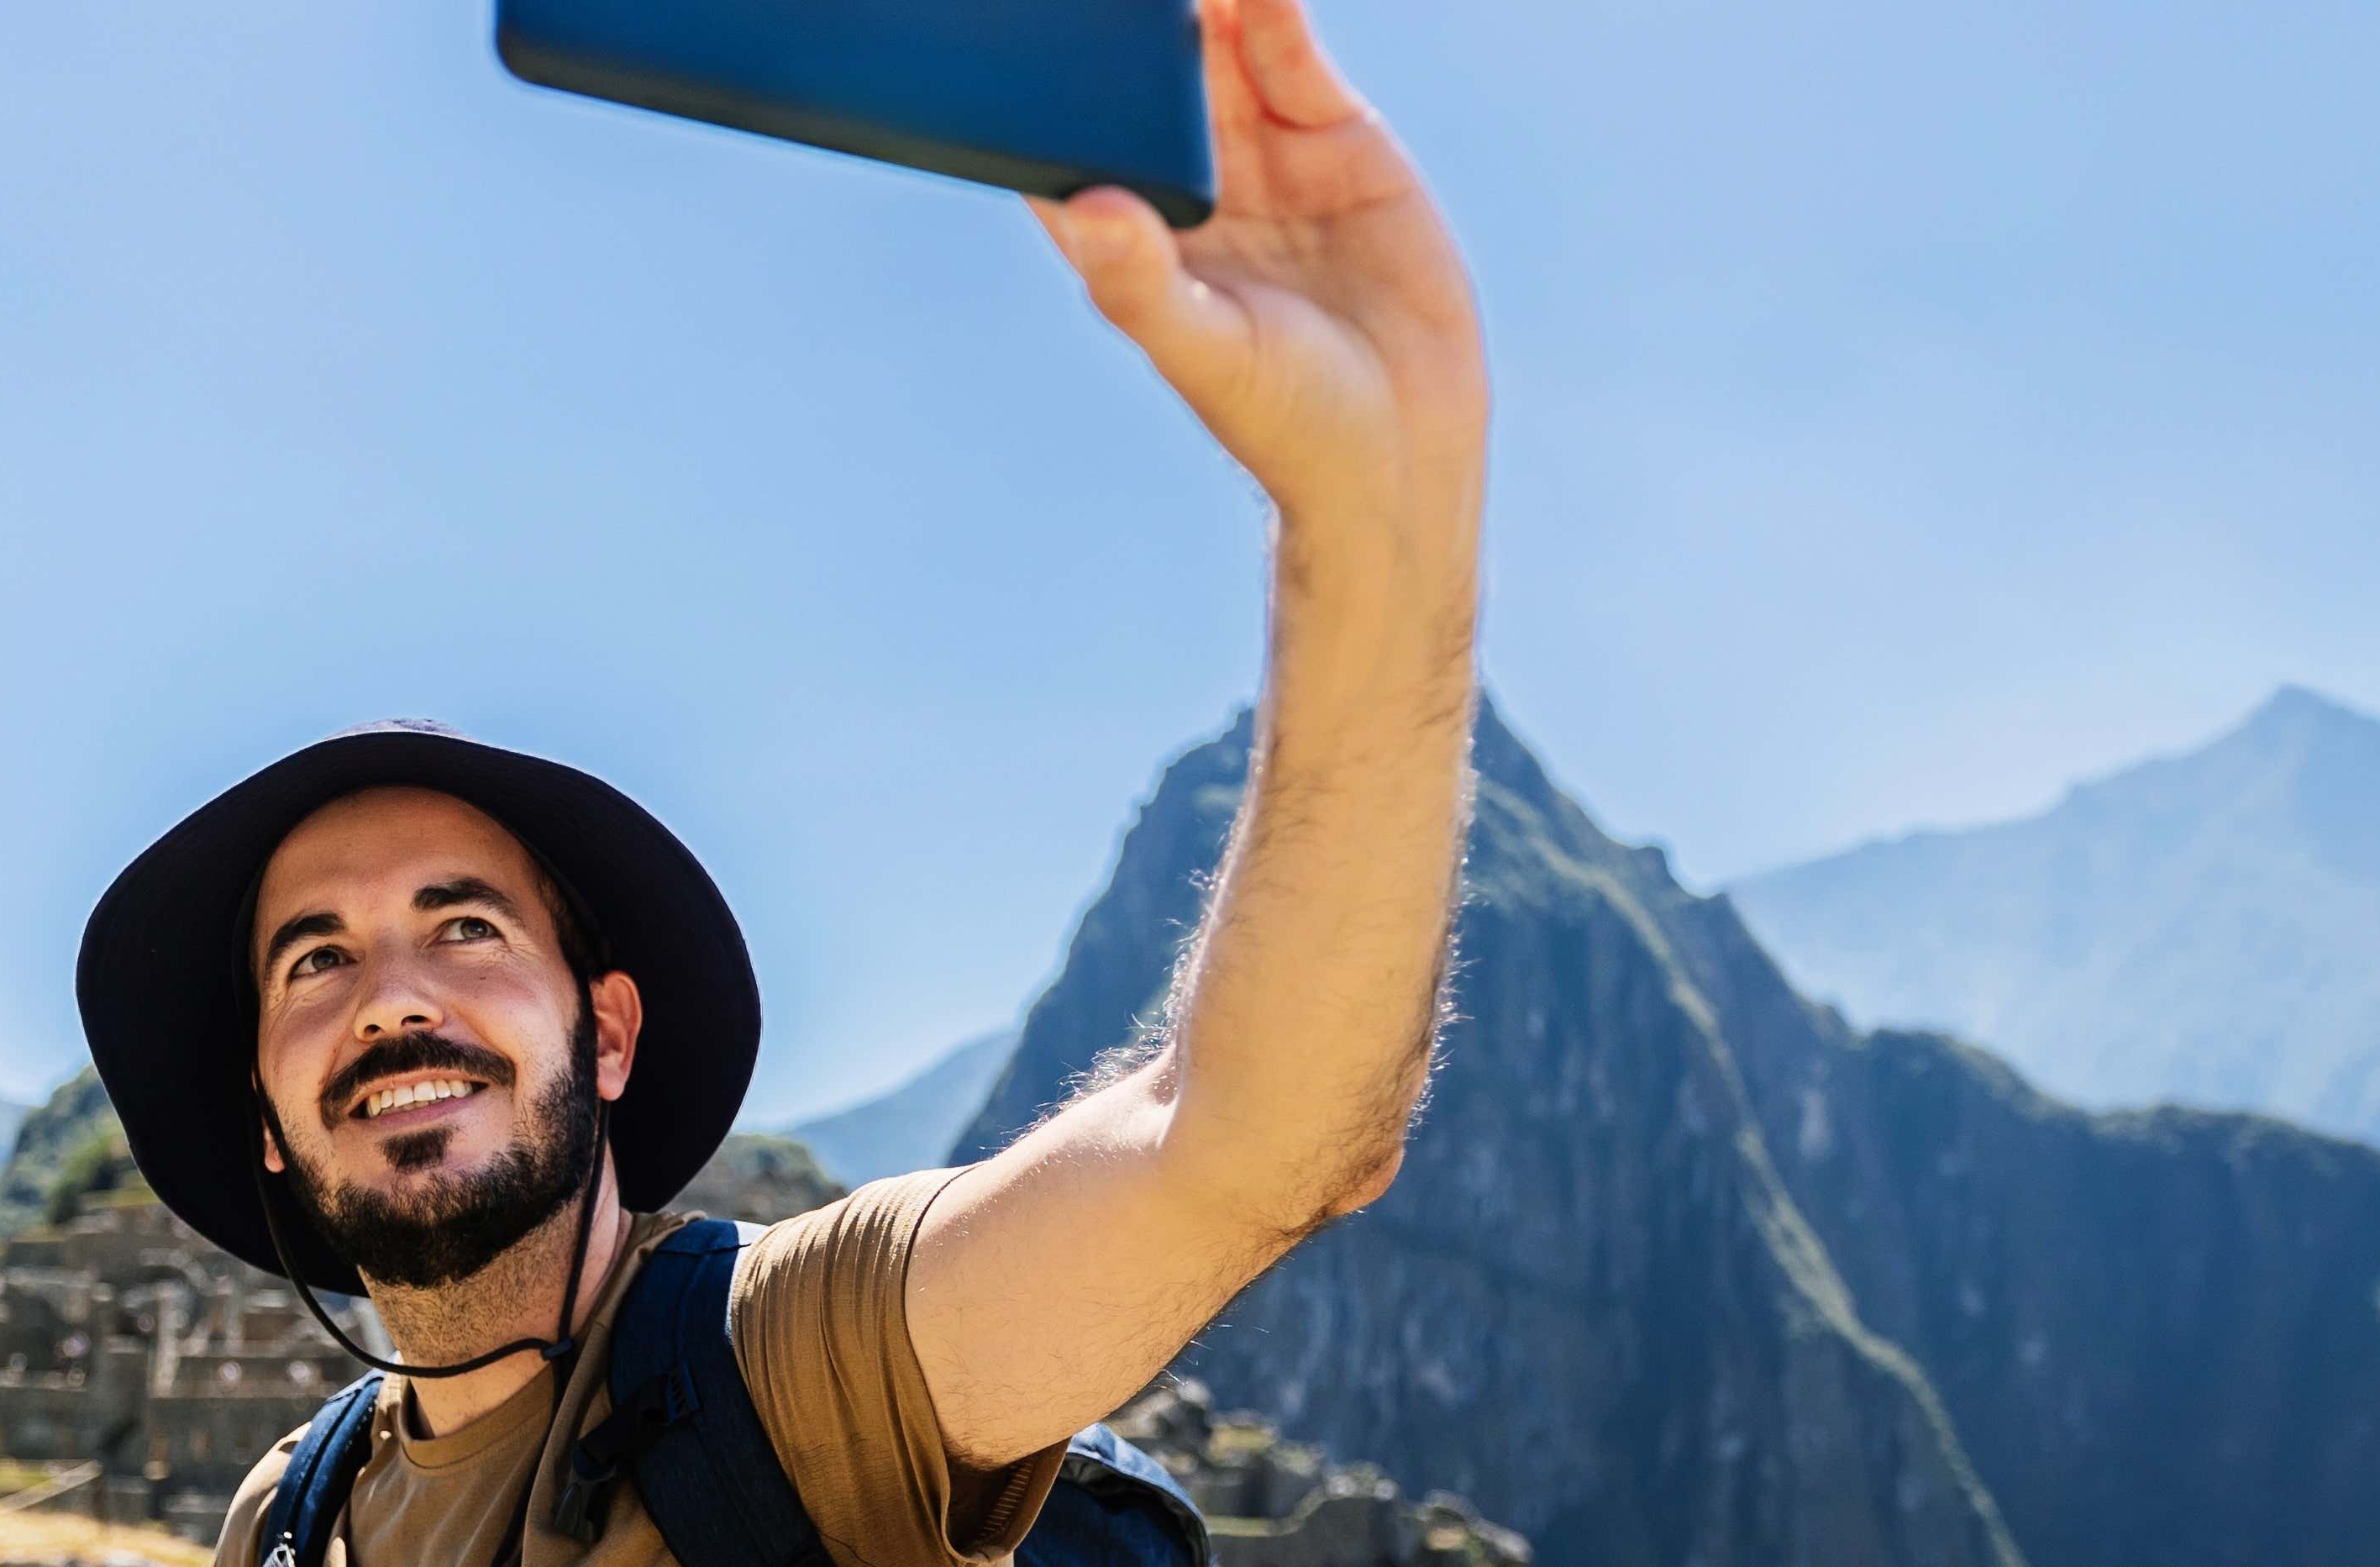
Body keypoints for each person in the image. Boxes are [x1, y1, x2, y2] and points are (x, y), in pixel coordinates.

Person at [71, 0, 1483, 1559]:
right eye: (315, 959)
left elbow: (1241, 1143)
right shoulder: (288, 1518)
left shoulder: (799, 1371)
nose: (391, 996)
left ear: (609, 1031)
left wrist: (1372, 513)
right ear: (265, 1116)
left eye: (465, 925)